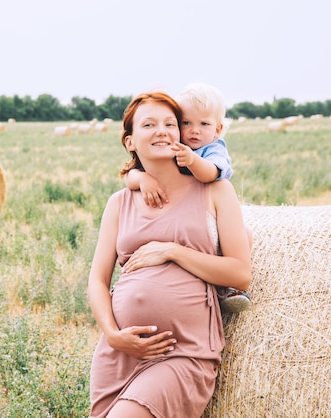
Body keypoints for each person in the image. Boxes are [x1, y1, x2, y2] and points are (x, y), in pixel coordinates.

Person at [88, 91, 252, 417]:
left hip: (183, 352)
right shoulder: (119, 203)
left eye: (169, 123)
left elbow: (240, 273)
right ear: (131, 141)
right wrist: (113, 334)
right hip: (119, 353)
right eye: (149, 124)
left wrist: (172, 251)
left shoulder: (216, 190)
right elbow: (97, 280)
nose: (162, 130)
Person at [123, 83, 251, 313]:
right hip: (184, 214)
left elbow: (211, 174)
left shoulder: (213, 150)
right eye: (185, 123)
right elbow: (130, 173)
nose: (194, 131)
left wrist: (192, 160)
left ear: (218, 129)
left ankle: (226, 289)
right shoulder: (171, 149)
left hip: (206, 212)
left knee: (243, 238)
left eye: (204, 124)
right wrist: (143, 180)